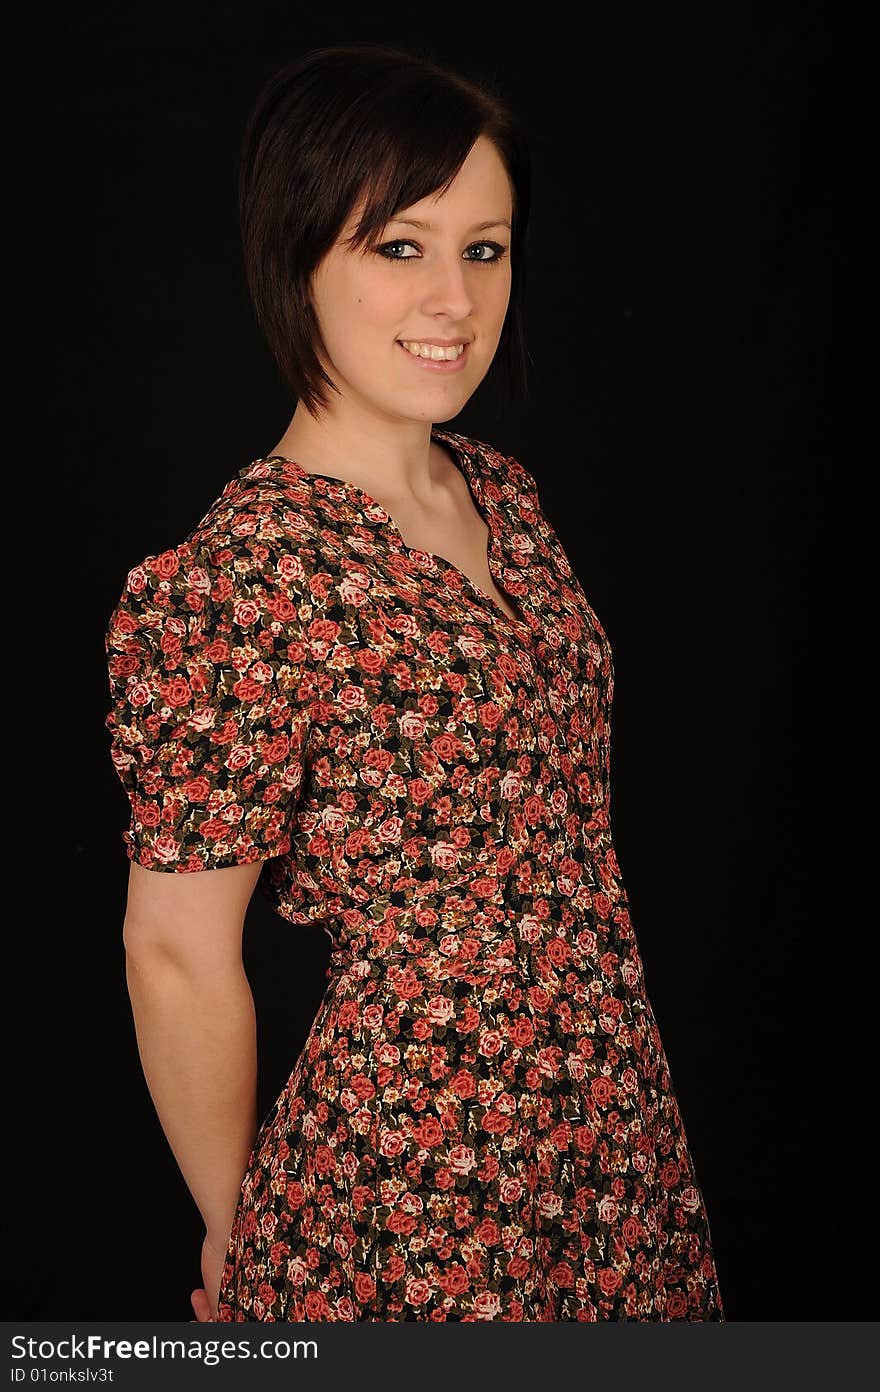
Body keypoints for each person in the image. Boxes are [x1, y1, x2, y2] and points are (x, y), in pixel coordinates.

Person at [104, 41, 725, 1322]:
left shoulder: (499, 492)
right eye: (399, 246)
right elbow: (172, 946)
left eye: (483, 250)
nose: (453, 297)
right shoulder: (244, 576)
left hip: (610, 1128)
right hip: (418, 1167)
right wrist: (239, 1225)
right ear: (300, 257)